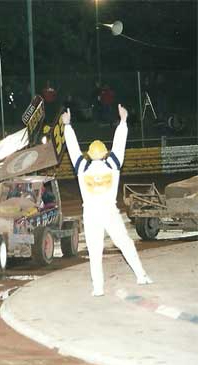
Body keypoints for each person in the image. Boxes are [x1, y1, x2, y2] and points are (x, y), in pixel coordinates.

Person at [62, 104, 152, 297]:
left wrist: (67, 126)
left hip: (91, 214)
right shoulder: (113, 164)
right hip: (110, 212)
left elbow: (73, 148)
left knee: (95, 252)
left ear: (89, 155)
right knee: (125, 244)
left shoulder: (82, 168)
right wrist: (123, 121)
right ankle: (141, 275)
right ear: (104, 154)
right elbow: (119, 145)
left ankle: (98, 288)